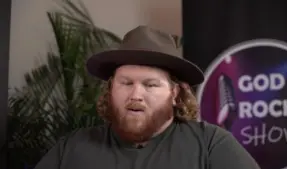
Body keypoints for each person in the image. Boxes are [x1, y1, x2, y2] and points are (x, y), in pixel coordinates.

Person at [34, 25, 261, 169]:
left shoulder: (211, 145)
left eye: (150, 85)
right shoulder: (71, 148)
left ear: (175, 93)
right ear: (111, 88)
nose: (136, 94)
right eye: (126, 83)